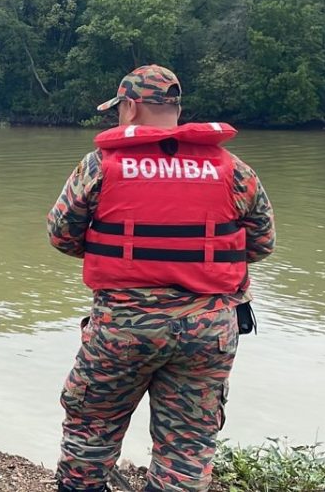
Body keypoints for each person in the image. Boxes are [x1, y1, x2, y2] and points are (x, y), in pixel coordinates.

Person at [47, 65, 276, 492]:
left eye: (119, 109)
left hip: (124, 327)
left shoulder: (101, 165)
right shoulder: (233, 169)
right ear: (176, 107)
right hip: (209, 330)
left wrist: (123, 258)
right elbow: (261, 245)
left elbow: (61, 234)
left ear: (130, 107)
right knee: (188, 444)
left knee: (92, 427)